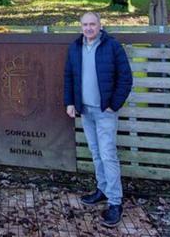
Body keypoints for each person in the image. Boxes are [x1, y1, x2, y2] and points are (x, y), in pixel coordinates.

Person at [63, 11, 133, 227]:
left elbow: (126, 78)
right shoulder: (75, 47)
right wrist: (70, 102)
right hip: (86, 110)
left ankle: (115, 202)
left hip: (105, 112)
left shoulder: (112, 46)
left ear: (100, 25)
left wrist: (114, 104)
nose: (89, 28)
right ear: (80, 27)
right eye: (85, 24)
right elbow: (69, 76)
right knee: (96, 153)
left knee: (108, 154)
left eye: (93, 24)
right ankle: (102, 190)